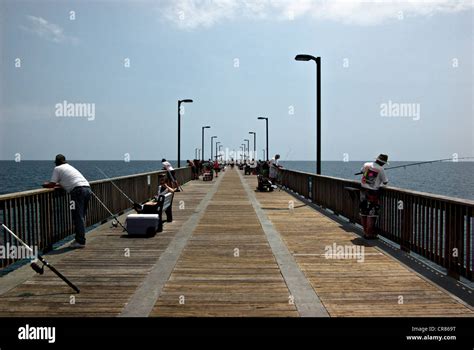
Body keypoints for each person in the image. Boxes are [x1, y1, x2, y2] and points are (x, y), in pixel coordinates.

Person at [42, 154, 91, 248]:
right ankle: (79, 238)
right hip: (87, 189)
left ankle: (80, 241)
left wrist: (45, 185)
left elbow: (52, 184)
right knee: (81, 216)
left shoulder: (57, 168)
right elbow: (67, 181)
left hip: (77, 191)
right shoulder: (69, 167)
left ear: (56, 162)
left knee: (77, 216)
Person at [359, 154, 389, 239]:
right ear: (383, 162)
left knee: (363, 212)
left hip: (362, 191)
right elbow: (385, 182)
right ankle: (369, 234)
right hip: (372, 193)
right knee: (371, 214)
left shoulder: (366, 164)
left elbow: (362, 171)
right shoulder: (381, 169)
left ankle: (365, 232)